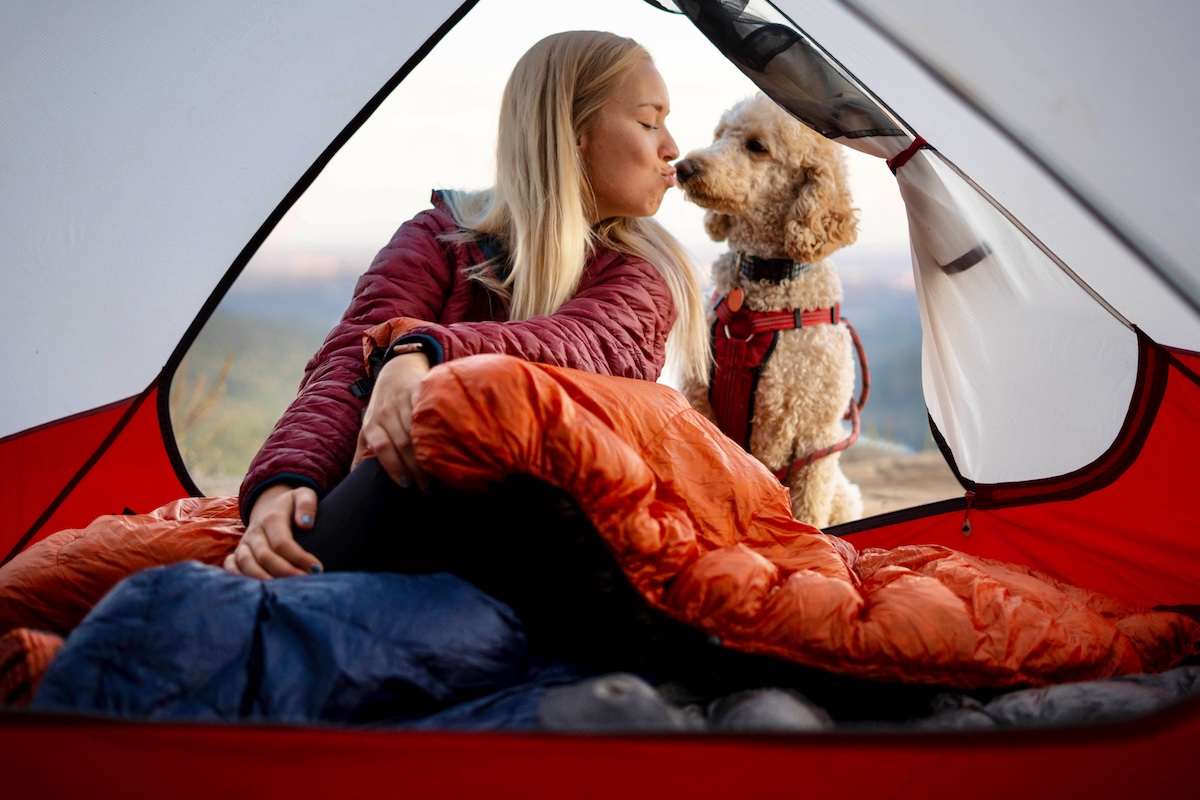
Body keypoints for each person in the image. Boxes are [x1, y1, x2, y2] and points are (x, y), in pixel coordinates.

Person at [224, 30, 710, 582]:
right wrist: (286, 487)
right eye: (650, 123)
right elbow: (345, 367)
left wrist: (420, 354)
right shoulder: (436, 237)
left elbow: (575, 351)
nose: (672, 147)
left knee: (427, 437)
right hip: (421, 509)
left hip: (553, 535)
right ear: (574, 135)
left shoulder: (645, 274)